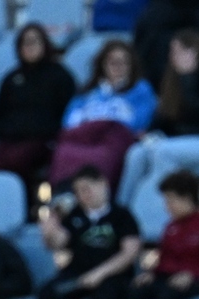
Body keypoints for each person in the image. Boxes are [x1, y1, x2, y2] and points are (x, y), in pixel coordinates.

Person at [38, 165, 142, 299]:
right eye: (78, 191)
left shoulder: (122, 215)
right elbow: (59, 243)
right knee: (48, 294)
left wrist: (100, 273)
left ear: (102, 184)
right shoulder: (75, 215)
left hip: (113, 275)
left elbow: (129, 253)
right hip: (78, 272)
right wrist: (51, 229)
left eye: (87, 189)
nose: (83, 195)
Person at [53, 40, 158, 189]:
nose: (118, 67)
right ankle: (63, 194)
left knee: (102, 156)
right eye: (112, 62)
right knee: (63, 152)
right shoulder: (88, 92)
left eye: (123, 62)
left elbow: (140, 121)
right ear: (102, 64)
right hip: (83, 138)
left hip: (114, 139)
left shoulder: (141, 90)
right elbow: (68, 120)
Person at [0, 23, 79, 200]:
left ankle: (27, 207)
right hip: (11, 139)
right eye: (25, 43)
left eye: (34, 42)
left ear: (45, 44)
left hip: (46, 139)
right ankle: (6, 208)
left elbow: (71, 111)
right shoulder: (11, 78)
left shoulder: (59, 75)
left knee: (18, 160)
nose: (29, 47)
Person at [141, 29, 199, 187]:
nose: (174, 56)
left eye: (181, 51)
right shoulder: (172, 81)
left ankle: (166, 205)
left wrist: (187, 79)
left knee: (162, 152)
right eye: (173, 51)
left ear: (197, 52)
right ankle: (123, 206)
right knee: (137, 154)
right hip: (182, 141)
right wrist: (149, 133)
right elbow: (166, 116)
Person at [131, 170, 199, 299]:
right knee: (136, 292)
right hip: (169, 278)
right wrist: (152, 275)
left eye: (170, 200)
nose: (167, 206)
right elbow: (164, 260)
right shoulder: (170, 227)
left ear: (187, 198)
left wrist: (192, 275)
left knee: (167, 295)